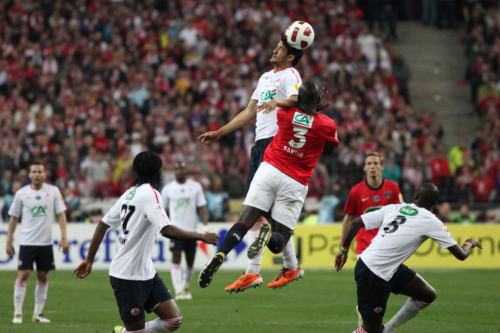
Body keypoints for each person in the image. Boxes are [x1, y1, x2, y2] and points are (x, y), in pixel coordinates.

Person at [198, 82, 339, 289]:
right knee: (280, 239)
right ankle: (270, 242)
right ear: (317, 101)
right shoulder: (327, 124)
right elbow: (329, 150)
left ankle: (222, 253)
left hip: (270, 170)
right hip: (296, 181)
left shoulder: (285, 113)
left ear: (297, 98)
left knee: (246, 218)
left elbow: (291, 105)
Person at [198, 34, 310, 293]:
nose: (274, 50)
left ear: (290, 56)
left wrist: (277, 102)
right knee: (261, 211)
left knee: (256, 207)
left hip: (277, 144)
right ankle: (283, 266)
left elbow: (297, 100)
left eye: (280, 49)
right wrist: (220, 132)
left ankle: (255, 271)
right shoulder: (265, 78)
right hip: (260, 145)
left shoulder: (291, 74)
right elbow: (250, 112)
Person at [73, 151, 219, 333]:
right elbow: (166, 229)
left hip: (146, 272)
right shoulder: (150, 194)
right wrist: (202, 236)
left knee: (173, 320)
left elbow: (102, 225)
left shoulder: (130, 193)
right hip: (127, 275)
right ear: (159, 171)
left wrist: (90, 259)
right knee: (137, 331)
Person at [335, 182, 482, 333]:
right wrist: (468, 243)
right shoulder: (432, 221)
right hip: (373, 273)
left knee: (426, 295)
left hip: (381, 265)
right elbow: (461, 255)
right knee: (371, 330)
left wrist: (343, 250)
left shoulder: (393, 208)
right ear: (435, 203)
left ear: (415, 195)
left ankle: (389, 329)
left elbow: (355, 223)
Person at [340, 152, 403, 327]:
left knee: (383, 286)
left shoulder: (393, 188)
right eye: (369, 163)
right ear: (365, 167)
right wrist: (343, 245)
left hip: (386, 245)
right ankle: (366, 319)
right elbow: (348, 219)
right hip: (364, 246)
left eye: (376, 163)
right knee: (370, 285)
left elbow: (401, 214)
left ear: (382, 167)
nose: (373, 166)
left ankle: (366, 312)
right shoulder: (356, 191)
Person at [5, 161, 69, 324]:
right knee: (23, 274)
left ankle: (37, 314)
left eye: (40, 172)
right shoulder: (21, 193)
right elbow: (14, 218)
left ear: (44, 174)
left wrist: (63, 237)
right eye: (34, 172)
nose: (37, 175)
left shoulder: (53, 191)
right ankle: (18, 313)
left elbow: (61, 214)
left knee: (43, 276)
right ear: (29, 175)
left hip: (45, 242)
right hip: (27, 241)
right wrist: (8, 241)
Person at [160, 161, 208, 300]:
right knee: (176, 257)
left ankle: (185, 287)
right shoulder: (168, 189)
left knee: (190, 261)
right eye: (177, 168)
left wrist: (205, 225)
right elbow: (163, 210)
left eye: (182, 168)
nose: (180, 171)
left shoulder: (195, 187)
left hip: (191, 230)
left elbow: (201, 207)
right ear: (174, 171)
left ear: (186, 169)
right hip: (175, 229)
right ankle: (178, 290)